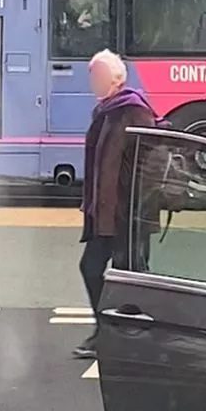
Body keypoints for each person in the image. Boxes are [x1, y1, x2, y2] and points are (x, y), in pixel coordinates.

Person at [74, 49, 157, 360]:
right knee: (93, 268)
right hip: (104, 212)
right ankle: (108, 331)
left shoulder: (134, 111)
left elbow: (147, 161)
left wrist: (136, 207)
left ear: (117, 79)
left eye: (98, 76)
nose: (93, 83)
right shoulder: (107, 111)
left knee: (127, 274)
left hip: (127, 212)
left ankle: (121, 336)